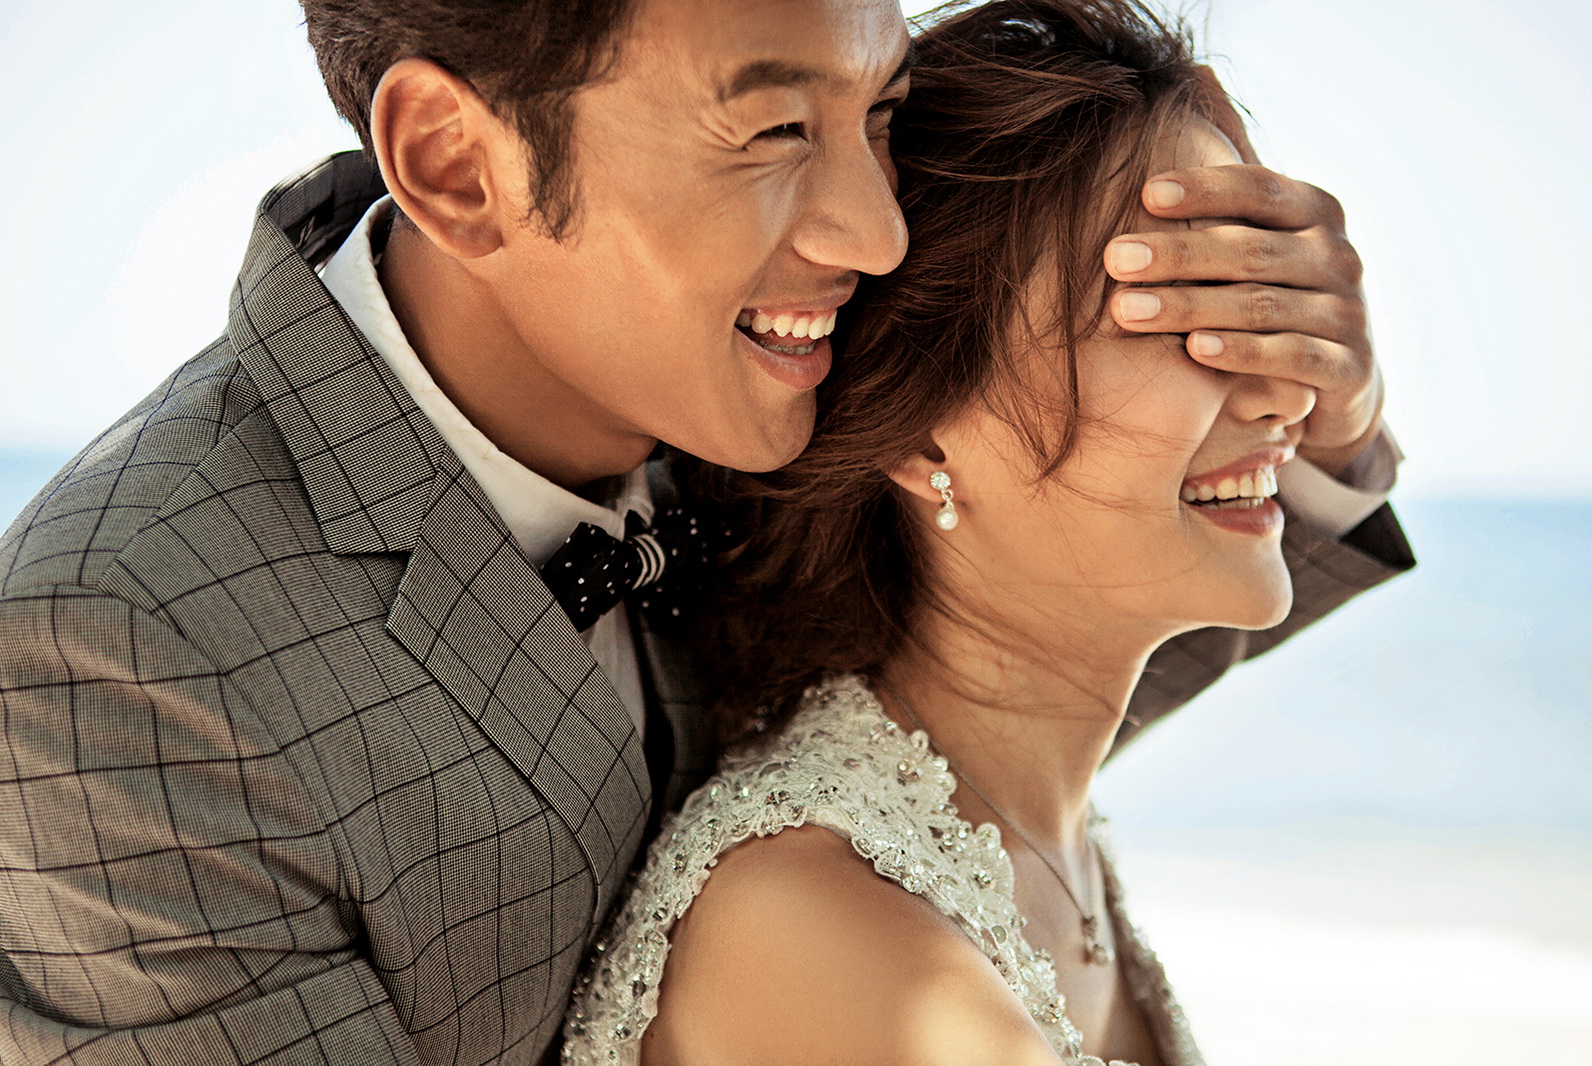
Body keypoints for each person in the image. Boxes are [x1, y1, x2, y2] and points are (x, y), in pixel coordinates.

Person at [0, 1, 1406, 1064]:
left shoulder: (750, 382)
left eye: (881, 113)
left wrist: (1322, 410)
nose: (879, 235)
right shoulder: (127, 648)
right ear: (457, 163)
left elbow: (1004, 663)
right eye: (777, 131)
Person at [561, 1, 1413, 1063]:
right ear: (924, 434)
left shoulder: (1028, 827)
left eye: (1262, 309)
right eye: (1185, 321)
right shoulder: (828, 930)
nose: (1285, 395)